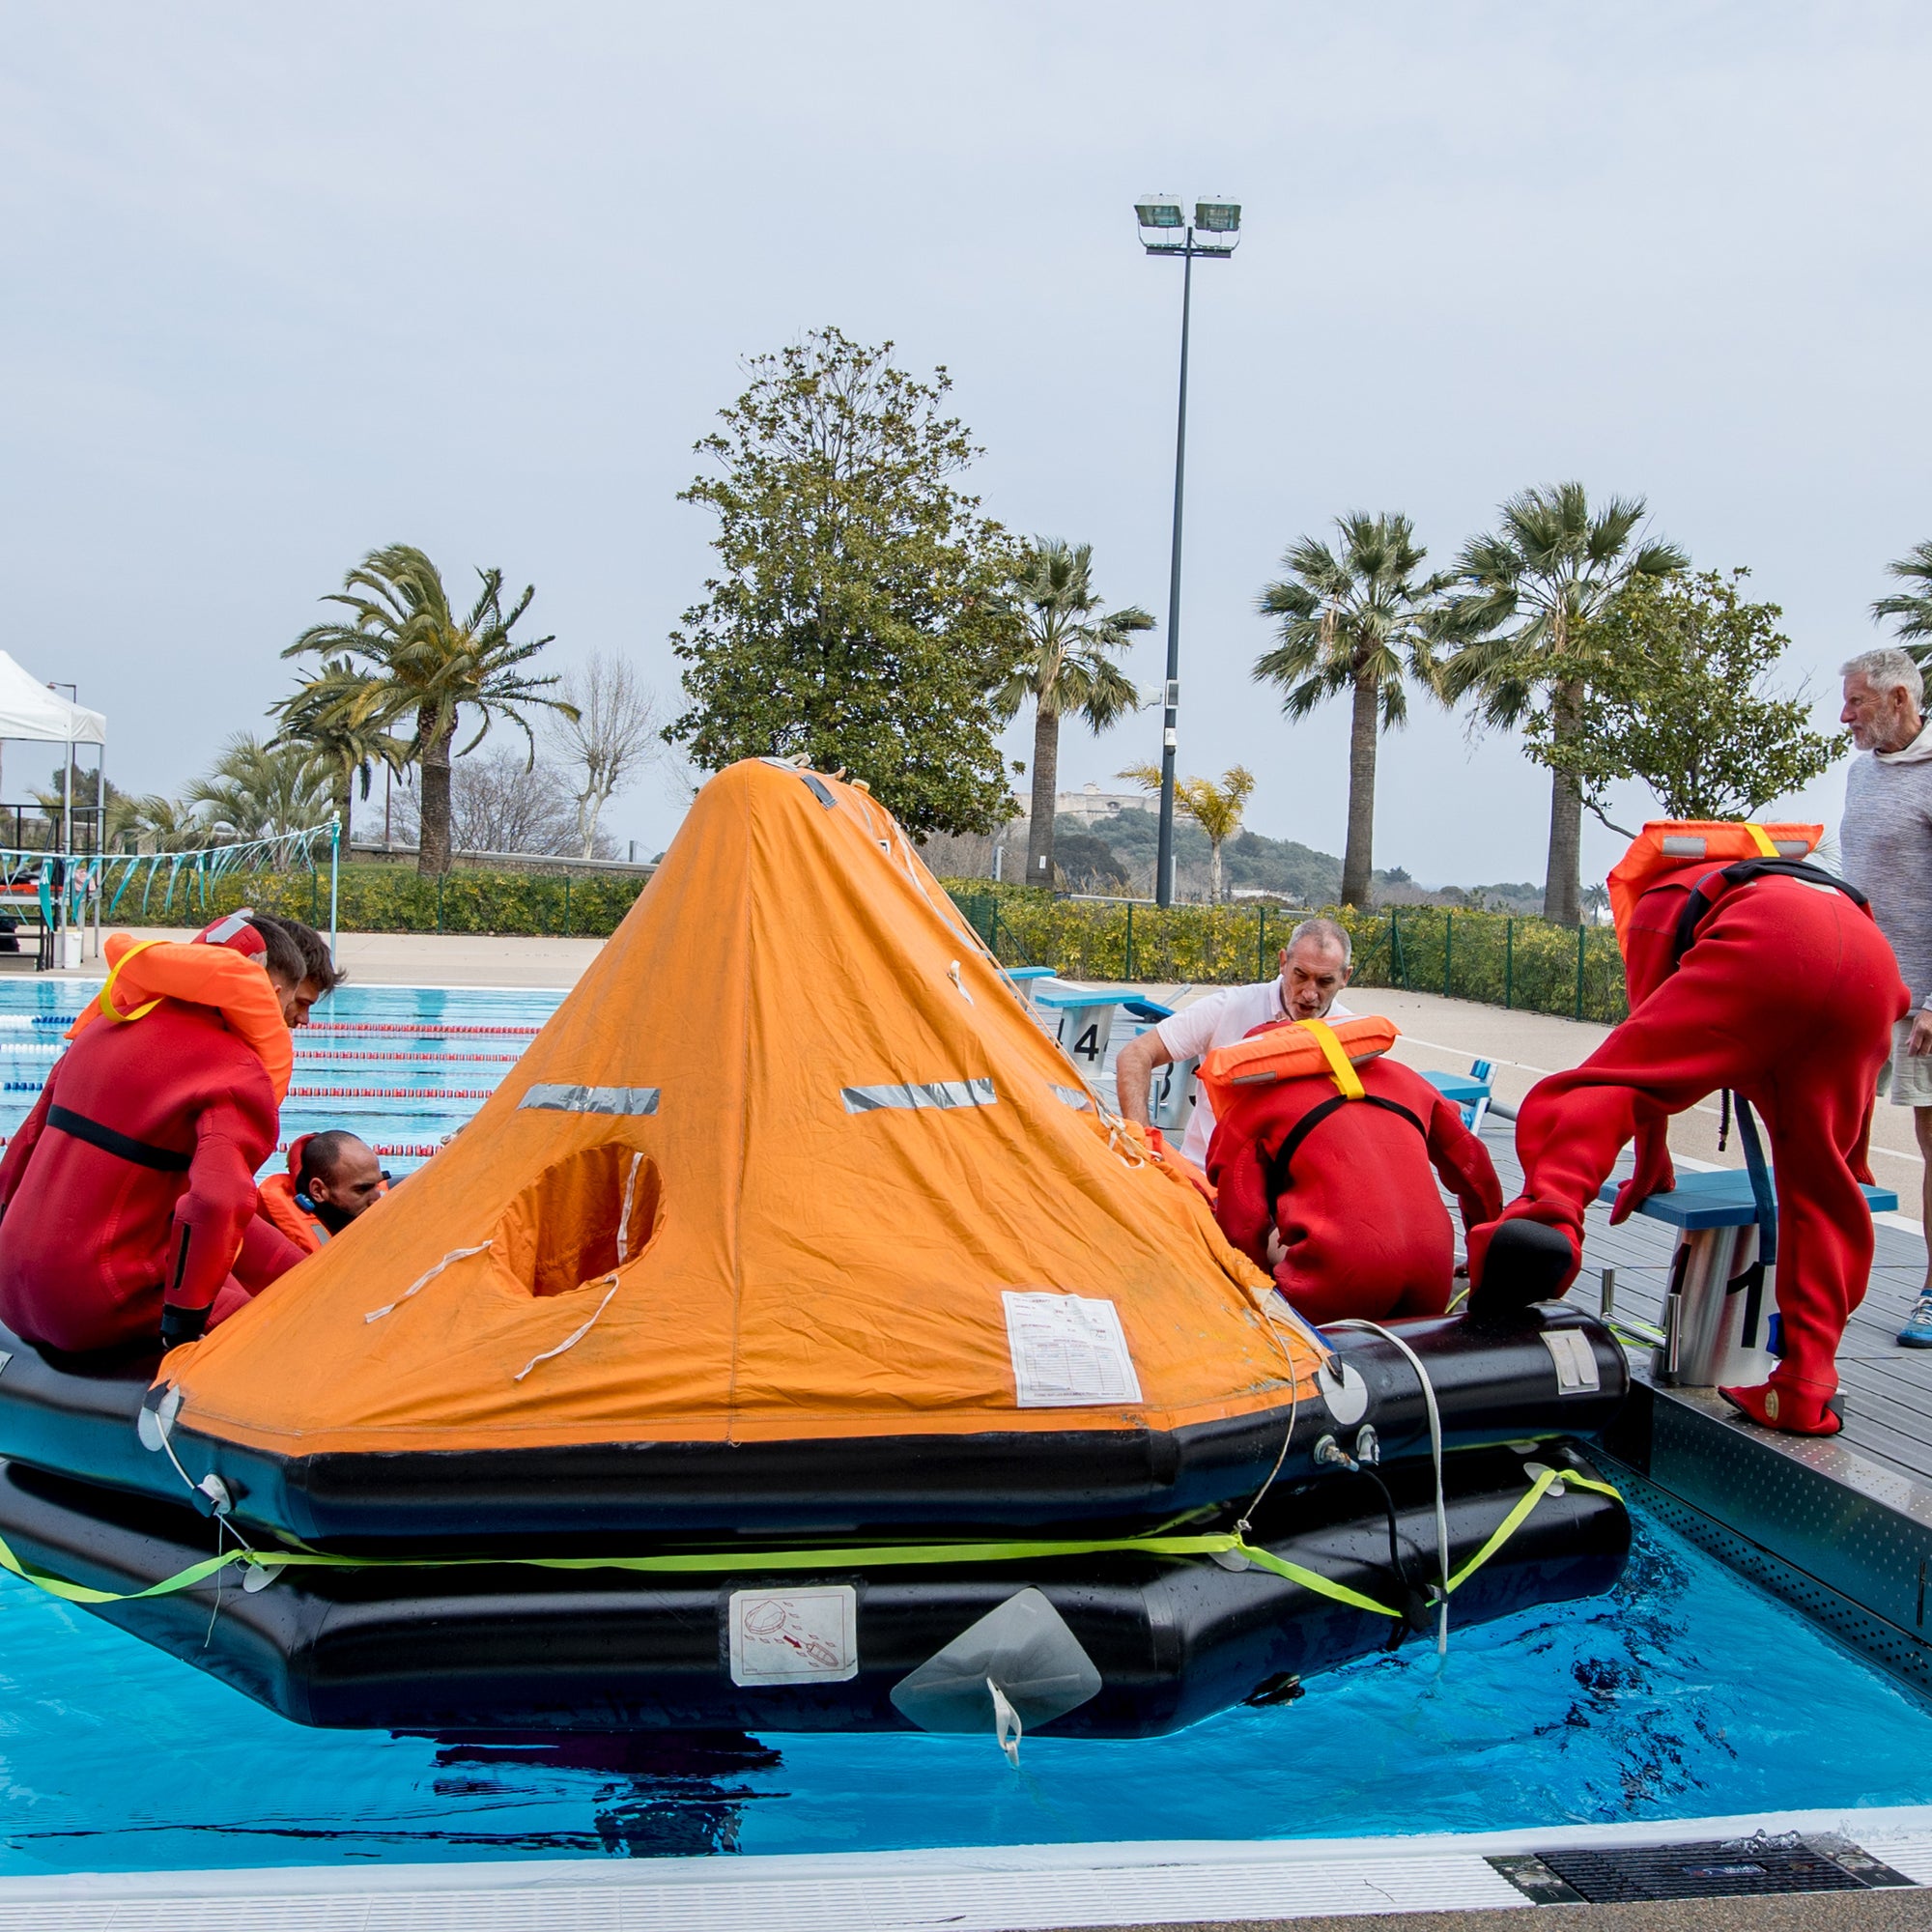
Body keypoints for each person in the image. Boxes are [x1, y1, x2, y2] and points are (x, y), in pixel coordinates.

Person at [1467, 821, 1907, 1436]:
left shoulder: (1658, 900)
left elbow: (1643, 1065)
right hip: (1873, 969)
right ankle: (1805, 1384)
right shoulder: (1802, 880)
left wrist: (1650, 1161)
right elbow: (1845, 1139)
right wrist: (1853, 1163)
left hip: (1770, 951)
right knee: (1821, 1185)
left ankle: (1547, 1216)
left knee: (1593, 1090)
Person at [0, 911, 335, 1356]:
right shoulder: (235, 1069)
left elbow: (23, 1147)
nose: (301, 1022)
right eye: (298, 1004)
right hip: (96, 1304)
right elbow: (219, 1201)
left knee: (306, 1279)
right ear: (272, 992)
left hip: (11, 1285)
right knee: (289, 1336)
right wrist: (184, 1321)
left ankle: (329, 1283)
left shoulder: (102, 1027)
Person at [1205, 1014, 1503, 1324]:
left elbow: (1240, 1226)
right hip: (1433, 1271)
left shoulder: (1250, 1106)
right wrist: (1483, 1257)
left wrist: (1256, 1299)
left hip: (1332, 1286)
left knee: (1266, 1238)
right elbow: (1476, 1173)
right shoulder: (1407, 1078)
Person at [1838, 646, 1932, 1348]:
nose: (1846, 718)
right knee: (1832, 1140)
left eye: (1858, 703)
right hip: (1862, 990)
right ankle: (1825, 1283)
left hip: (1924, 999)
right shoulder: (1858, 777)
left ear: (1899, 697)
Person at [1116, 917, 1355, 1170]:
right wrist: (1142, 1144)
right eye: (1301, 975)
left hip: (1293, 1193)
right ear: (1283, 962)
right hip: (1207, 1183)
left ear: (1345, 977)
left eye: (1324, 981)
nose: (1309, 993)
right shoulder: (1229, 1006)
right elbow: (1135, 1054)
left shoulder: (1352, 1035)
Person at [258, 1131, 386, 1253]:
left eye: (377, 1185)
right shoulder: (278, 1247)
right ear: (318, 1191)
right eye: (362, 1190)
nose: (377, 1199)